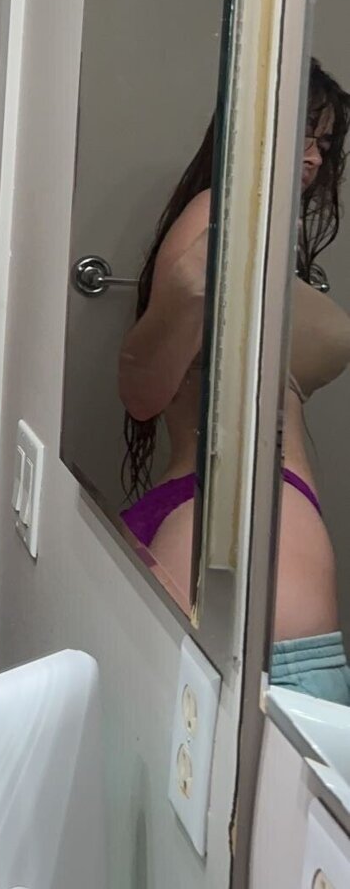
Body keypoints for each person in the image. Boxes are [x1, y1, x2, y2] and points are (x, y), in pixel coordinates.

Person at [118, 58, 350, 701]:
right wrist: (195, 285)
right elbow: (143, 389)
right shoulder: (217, 214)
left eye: (325, 142)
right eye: (301, 132)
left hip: (212, 509)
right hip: (244, 515)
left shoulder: (248, 227)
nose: (313, 156)